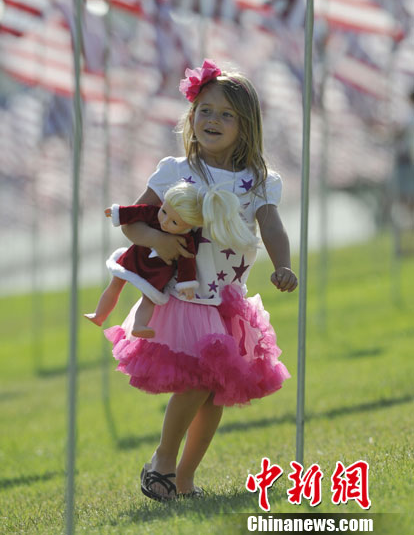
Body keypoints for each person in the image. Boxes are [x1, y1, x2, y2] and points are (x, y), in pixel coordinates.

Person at [104, 59, 298, 501]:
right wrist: (159, 239)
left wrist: (282, 264)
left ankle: (185, 478)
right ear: (192, 117)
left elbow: (272, 227)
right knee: (196, 380)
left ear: (245, 125)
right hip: (187, 296)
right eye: (206, 110)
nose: (213, 120)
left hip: (228, 300)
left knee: (215, 394)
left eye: (226, 114)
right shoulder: (176, 170)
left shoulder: (259, 180)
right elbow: (133, 221)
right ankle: (162, 461)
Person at [85, 181, 257, 338]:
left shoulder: (187, 241)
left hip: (157, 273)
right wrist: (117, 212)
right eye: (164, 212)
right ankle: (100, 314)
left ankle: (139, 325)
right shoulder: (153, 213)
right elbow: (136, 211)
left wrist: (186, 284)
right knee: (115, 283)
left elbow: (187, 264)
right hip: (136, 257)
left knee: (149, 299)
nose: (165, 222)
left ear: (189, 226)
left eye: (174, 222)